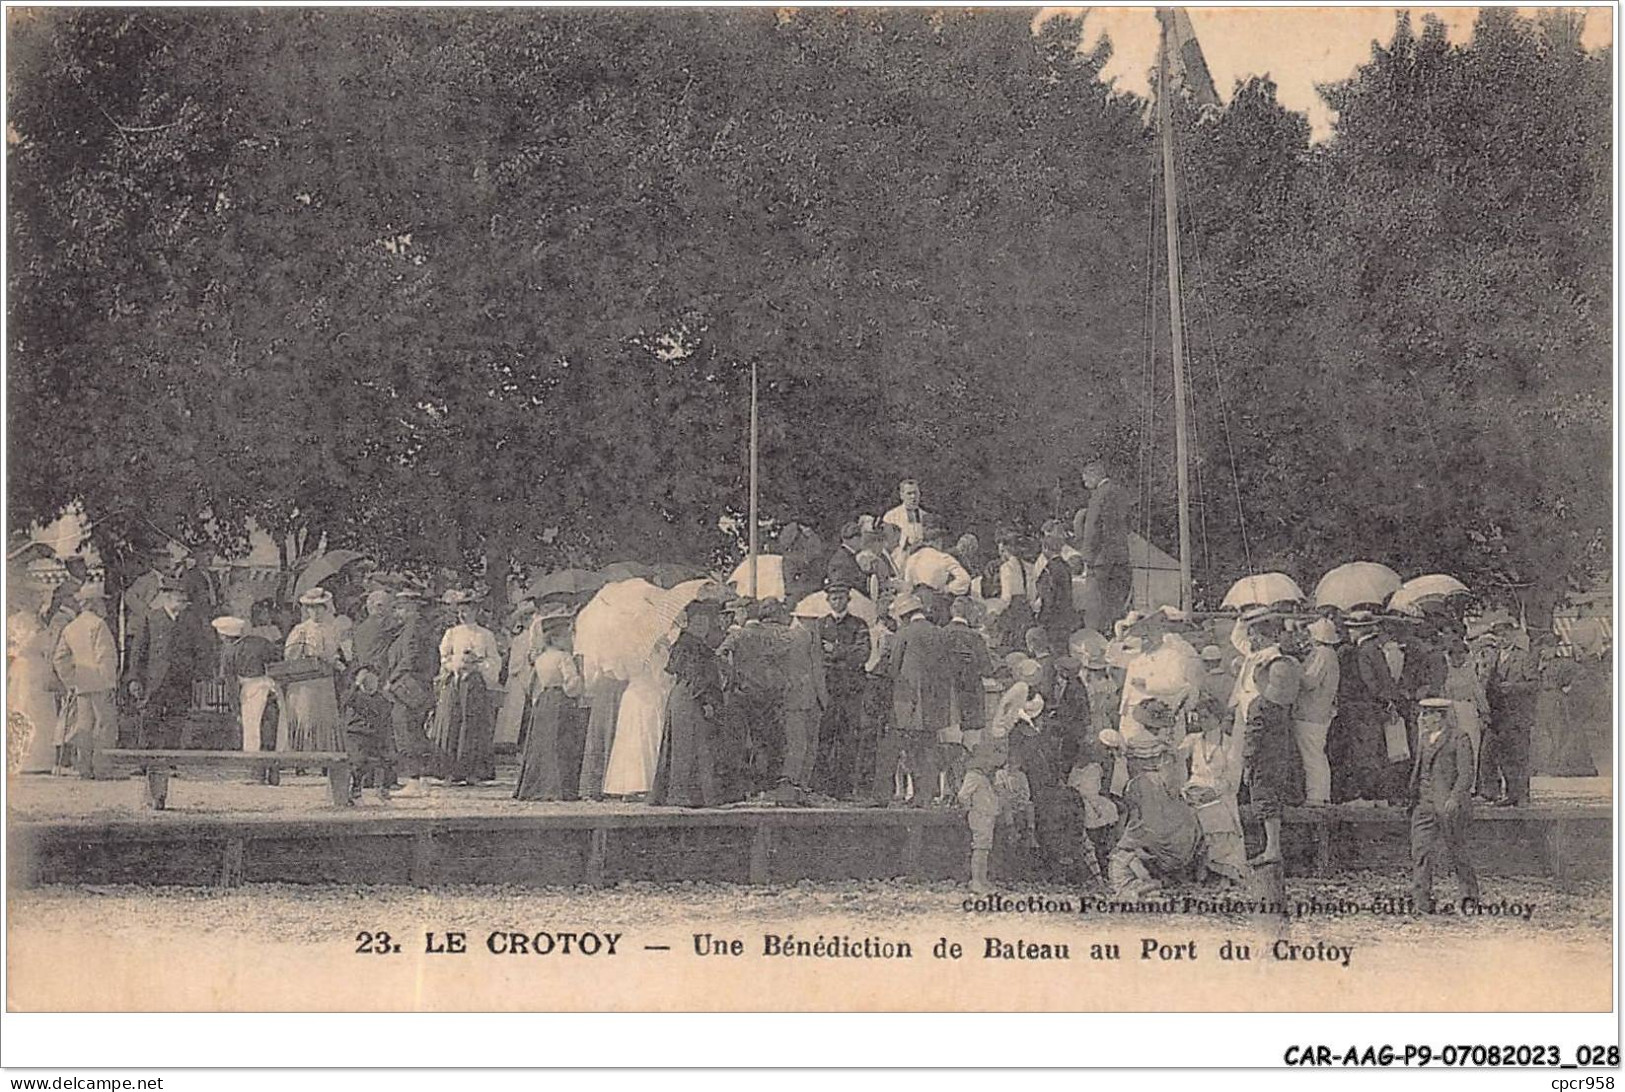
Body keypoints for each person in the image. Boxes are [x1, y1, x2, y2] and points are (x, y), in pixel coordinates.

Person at [958, 681, 1045, 893]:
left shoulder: (989, 767)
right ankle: (977, 880)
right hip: (980, 810)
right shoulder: (977, 773)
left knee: (985, 845)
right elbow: (964, 794)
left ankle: (982, 879)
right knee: (980, 845)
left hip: (986, 808)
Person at [1105, 721, 1201, 897]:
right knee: (1187, 822)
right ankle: (1171, 869)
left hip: (1138, 794)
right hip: (1159, 797)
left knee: (1139, 823)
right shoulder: (1164, 750)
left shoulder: (1132, 745)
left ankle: (1141, 868)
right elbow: (1171, 786)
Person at [1241, 613, 1303, 866]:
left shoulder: (1259, 706)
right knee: (1275, 798)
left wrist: (1246, 761)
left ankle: (1271, 848)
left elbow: (1253, 737)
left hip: (1263, 759)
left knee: (1264, 800)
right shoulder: (1283, 707)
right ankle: (1272, 846)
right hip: (1280, 755)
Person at [877, 593, 950, 806]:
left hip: (908, 701)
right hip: (935, 702)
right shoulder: (939, 633)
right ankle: (926, 794)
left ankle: (914, 795)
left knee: (910, 749)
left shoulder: (905, 633)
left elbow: (893, 667)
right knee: (929, 747)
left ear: (904, 615)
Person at [650, 600, 725, 807]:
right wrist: (707, 700)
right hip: (691, 697)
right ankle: (685, 794)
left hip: (682, 696)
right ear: (689, 622)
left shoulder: (686, 644)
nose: (702, 626)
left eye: (705, 622)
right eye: (698, 621)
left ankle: (679, 793)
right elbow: (696, 676)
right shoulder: (692, 645)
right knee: (691, 744)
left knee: (685, 744)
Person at [1409, 697, 1480, 913]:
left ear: (1439, 716)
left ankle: (1469, 896)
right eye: (1423, 714)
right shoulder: (1423, 738)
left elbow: (1466, 774)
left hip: (1449, 806)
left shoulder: (1459, 738)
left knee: (1457, 850)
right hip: (1424, 804)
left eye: (1427, 715)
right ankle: (1421, 901)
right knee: (1420, 851)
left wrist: (1455, 798)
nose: (1423, 719)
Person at [716, 601, 790, 799]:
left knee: (741, 741)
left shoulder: (738, 635)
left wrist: (731, 674)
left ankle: (743, 787)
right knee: (763, 740)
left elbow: (719, 654)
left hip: (743, 693)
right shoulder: (773, 635)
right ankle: (763, 786)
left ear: (742, 613)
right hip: (767, 695)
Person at [127, 580, 212, 749]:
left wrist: (199, 674)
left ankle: (171, 758)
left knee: (177, 719)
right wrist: (134, 678)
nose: (183, 599)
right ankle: (148, 762)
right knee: (150, 718)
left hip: (180, 680)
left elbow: (201, 649)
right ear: (167, 596)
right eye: (178, 596)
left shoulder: (191, 621)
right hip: (154, 680)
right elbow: (139, 650)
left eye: (184, 597)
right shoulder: (152, 618)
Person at [431, 589, 501, 784]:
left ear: (476, 611)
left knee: (474, 725)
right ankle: (450, 771)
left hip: (475, 683)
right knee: (452, 723)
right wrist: (456, 664)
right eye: (460, 611)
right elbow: (444, 658)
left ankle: (473, 771)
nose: (463, 614)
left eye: (468, 610)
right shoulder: (451, 633)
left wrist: (478, 664)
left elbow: (494, 659)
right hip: (455, 682)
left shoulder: (485, 635)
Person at [1332, 609, 1402, 804]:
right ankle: (1379, 793)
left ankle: (1370, 794)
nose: (1350, 633)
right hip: (1376, 706)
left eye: (1353, 629)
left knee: (1365, 751)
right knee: (1375, 749)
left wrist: (1380, 699)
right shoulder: (1376, 648)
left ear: (1360, 630)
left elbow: (1369, 680)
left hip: (1366, 707)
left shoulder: (1364, 651)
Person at [514, 605, 583, 801]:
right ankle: (560, 787)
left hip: (543, 700)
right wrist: (579, 679)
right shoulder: (564, 658)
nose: (570, 640)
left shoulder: (540, 658)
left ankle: (539, 784)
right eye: (566, 636)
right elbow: (571, 685)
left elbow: (533, 684)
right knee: (561, 742)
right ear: (555, 638)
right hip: (561, 700)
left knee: (543, 743)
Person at [50, 583, 119, 776]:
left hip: (81, 684)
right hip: (100, 683)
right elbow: (104, 656)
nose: (104, 605)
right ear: (93, 603)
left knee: (84, 726)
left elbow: (60, 658)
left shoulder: (71, 627)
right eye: (102, 601)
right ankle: (102, 768)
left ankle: (83, 768)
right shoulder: (99, 625)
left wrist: (71, 681)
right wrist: (110, 683)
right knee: (104, 725)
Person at [1179, 694, 1247, 883]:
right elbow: (1176, 759)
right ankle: (1193, 866)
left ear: (1217, 718)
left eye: (1206, 717)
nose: (1202, 721)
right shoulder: (1192, 740)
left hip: (1220, 792)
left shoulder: (1229, 744)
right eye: (1199, 717)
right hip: (1194, 789)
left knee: (1215, 814)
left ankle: (1219, 868)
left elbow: (1232, 778)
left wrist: (1213, 792)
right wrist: (1187, 790)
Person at [816, 581, 871, 799]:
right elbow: (817, 656)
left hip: (851, 690)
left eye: (841, 597)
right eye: (834, 598)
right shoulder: (821, 625)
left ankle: (845, 788)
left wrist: (836, 651)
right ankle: (822, 787)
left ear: (848, 599)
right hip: (828, 690)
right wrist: (843, 655)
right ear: (827, 600)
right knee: (825, 737)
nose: (837, 601)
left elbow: (862, 655)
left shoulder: (859, 624)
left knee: (849, 739)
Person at [602, 637, 675, 799]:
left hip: (632, 696)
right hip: (651, 696)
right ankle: (648, 784)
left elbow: (618, 674)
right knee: (649, 737)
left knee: (631, 740)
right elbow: (662, 677)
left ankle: (630, 785)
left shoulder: (627, 648)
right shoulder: (658, 650)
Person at [278, 587, 348, 754]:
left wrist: (337, 661)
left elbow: (337, 652)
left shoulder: (332, 629)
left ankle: (325, 753)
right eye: (312, 608)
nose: (315, 612)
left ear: (325, 608)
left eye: (319, 607)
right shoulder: (301, 630)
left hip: (324, 681)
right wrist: (306, 653)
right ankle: (302, 755)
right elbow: (290, 655)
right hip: (306, 680)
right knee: (306, 715)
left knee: (324, 716)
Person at [384, 588, 439, 796]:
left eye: (400, 608)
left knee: (405, 730)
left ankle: (414, 780)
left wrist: (392, 679)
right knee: (416, 730)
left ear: (411, 608)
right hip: (418, 685)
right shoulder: (420, 627)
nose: (397, 613)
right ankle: (423, 779)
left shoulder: (412, 628)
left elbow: (410, 658)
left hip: (408, 686)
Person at [1481, 618, 1537, 806]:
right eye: (1499, 636)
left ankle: (1522, 795)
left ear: (1513, 636)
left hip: (1517, 715)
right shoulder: (1493, 657)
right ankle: (1509, 793)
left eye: (1506, 635)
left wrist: (1513, 687)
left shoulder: (1523, 657)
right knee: (1501, 755)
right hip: (1498, 715)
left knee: (1519, 755)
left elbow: (1534, 684)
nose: (1503, 639)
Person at [779, 601, 830, 803]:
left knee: (809, 746)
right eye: (812, 620)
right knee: (798, 746)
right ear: (801, 619)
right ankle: (789, 790)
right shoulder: (791, 638)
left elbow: (818, 669)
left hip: (813, 699)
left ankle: (801, 788)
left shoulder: (811, 639)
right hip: (797, 700)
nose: (815, 625)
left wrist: (822, 698)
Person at [1076, 460, 1133, 633]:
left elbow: (1092, 529)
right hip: (1121, 558)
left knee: (1096, 603)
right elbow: (1128, 524)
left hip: (1100, 560)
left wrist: (1086, 557)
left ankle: (1096, 637)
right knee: (1116, 603)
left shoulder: (1098, 495)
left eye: (1085, 480)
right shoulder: (1120, 493)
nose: (1085, 484)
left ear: (1094, 475)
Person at [212, 616, 279, 754]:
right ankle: (274, 765)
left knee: (251, 729)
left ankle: (255, 766)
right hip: (270, 687)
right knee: (272, 729)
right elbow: (277, 658)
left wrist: (235, 708)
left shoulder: (229, 652)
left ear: (223, 636)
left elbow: (230, 683)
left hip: (250, 691)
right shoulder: (261, 641)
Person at [1292, 617, 1341, 806]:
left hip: (1311, 712)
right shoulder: (1329, 654)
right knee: (1315, 753)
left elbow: (1310, 682)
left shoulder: (1322, 654)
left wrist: (1296, 667)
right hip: (1319, 711)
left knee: (1312, 755)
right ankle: (1320, 794)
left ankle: (1316, 796)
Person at [495, 601, 539, 750]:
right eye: (527, 618)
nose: (530, 621)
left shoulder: (536, 638)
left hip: (530, 676)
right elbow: (514, 665)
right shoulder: (520, 639)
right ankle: (509, 742)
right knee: (514, 712)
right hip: (518, 678)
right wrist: (528, 661)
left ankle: (524, 741)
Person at [1032, 526, 1078, 652]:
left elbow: (1047, 596)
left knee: (1053, 649)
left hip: (1053, 618)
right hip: (1066, 615)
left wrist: (1042, 617)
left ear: (1046, 549)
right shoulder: (1066, 567)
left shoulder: (1050, 569)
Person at [903, 527, 972, 598]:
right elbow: (965, 579)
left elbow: (907, 586)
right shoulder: (943, 558)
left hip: (916, 602)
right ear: (938, 541)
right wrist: (947, 589)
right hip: (936, 600)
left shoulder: (910, 560)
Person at [881, 479, 932, 573]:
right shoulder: (891, 517)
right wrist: (907, 547)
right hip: (900, 563)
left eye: (916, 493)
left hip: (923, 562)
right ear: (902, 495)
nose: (913, 497)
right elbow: (888, 546)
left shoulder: (926, 516)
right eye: (909, 493)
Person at [826, 522, 868, 594]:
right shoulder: (840, 559)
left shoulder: (847, 555)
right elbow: (841, 584)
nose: (862, 541)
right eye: (859, 537)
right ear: (851, 539)